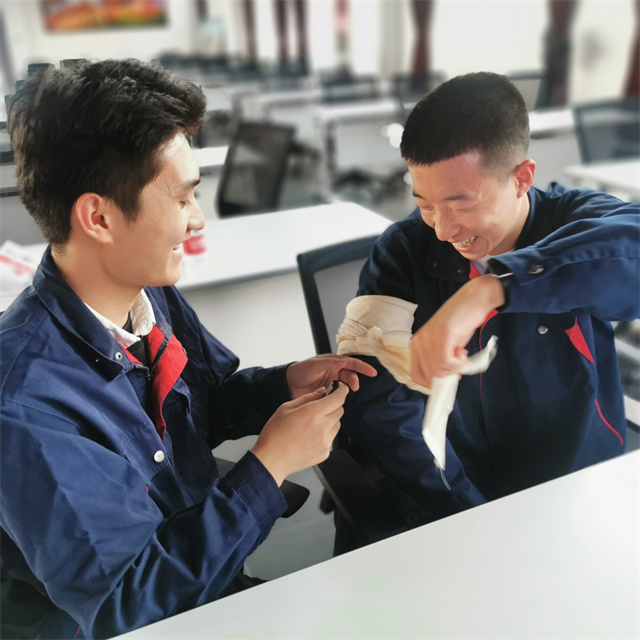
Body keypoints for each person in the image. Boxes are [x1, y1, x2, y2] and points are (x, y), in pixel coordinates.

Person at [0, 58, 375, 639]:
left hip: (204, 580)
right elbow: (126, 606)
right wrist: (269, 465)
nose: (198, 219)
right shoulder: (24, 403)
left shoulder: (145, 291)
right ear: (98, 217)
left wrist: (282, 385)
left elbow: (202, 404)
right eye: (182, 199)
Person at [340, 71, 639, 525]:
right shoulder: (404, 249)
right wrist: (467, 510)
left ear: (522, 178)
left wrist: (492, 287)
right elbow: (379, 400)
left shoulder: (574, 223)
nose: (443, 229)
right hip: (453, 495)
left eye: (461, 205)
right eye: (425, 204)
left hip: (573, 486)